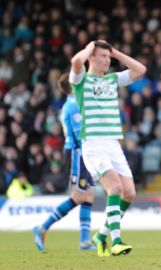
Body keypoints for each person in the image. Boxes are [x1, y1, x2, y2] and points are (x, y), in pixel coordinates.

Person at [69, 40, 147, 256]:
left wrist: (116, 52)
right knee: (115, 187)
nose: (107, 60)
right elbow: (76, 61)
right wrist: (89, 47)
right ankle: (116, 241)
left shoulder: (113, 79)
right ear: (92, 58)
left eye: (108, 57)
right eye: (102, 56)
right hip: (93, 144)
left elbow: (140, 70)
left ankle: (101, 236)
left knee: (129, 193)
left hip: (113, 143)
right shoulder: (81, 81)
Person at [33, 73, 96, 252]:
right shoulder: (74, 106)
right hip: (77, 153)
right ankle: (41, 228)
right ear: (73, 86)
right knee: (78, 197)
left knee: (88, 195)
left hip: (82, 153)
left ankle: (84, 241)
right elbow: (79, 135)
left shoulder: (74, 104)